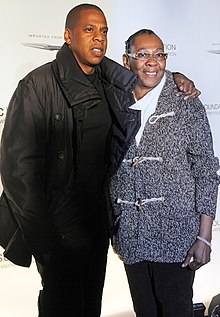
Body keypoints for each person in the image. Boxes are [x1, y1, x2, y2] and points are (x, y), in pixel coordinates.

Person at [0, 4, 200, 317]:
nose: (99, 37)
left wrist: (173, 76)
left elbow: (144, 73)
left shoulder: (109, 83)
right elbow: (17, 172)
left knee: (90, 306)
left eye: (104, 31)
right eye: (89, 29)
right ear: (68, 36)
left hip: (95, 225)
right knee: (61, 307)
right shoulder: (36, 86)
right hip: (56, 229)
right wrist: (45, 242)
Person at [109, 29, 220, 317]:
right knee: (144, 311)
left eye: (159, 55)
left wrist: (205, 237)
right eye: (143, 54)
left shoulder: (185, 101)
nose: (152, 62)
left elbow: (206, 169)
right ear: (126, 60)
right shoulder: (114, 100)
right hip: (131, 234)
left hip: (176, 237)